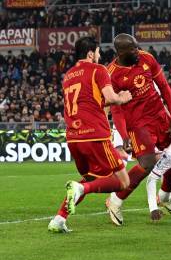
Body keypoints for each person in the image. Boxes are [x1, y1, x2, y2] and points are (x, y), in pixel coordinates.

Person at [48, 36, 132, 233]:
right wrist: (122, 98)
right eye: (98, 52)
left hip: (74, 138)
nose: (99, 56)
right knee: (123, 181)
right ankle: (80, 189)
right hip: (95, 136)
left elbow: (91, 102)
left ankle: (59, 218)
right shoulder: (98, 69)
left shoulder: (68, 75)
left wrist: (110, 101)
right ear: (90, 53)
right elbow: (111, 97)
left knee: (90, 178)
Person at [105, 34, 171, 226]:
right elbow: (116, 108)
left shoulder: (146, 58)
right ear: (121, 52)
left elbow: (164, 87)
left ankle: (163, 198)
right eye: (133, 50)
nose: (137, 52)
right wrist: (123, 135)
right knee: (147, 163)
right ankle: (115, 201)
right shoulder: (111, 74)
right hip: (138, 123)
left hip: (159, 116)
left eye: (137, 47)